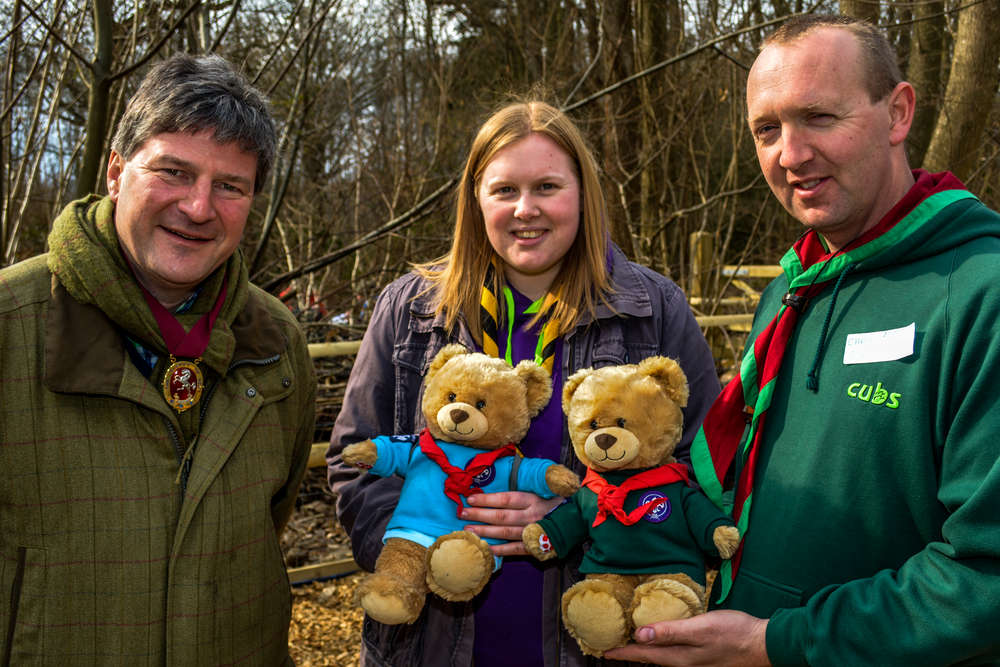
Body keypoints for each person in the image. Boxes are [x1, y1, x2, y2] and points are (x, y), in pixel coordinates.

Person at [607, 14, 1000, 667]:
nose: (789, 153)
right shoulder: (791, 291)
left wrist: (777, 642)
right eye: (767, 129)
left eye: (818, 117)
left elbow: (984, 577)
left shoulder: (979, 295)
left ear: (898, 113)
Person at [326, 100, 720, 666]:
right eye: (504, 189)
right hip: (427, 646)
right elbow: (352, 460)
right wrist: (421, 545)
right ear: (475, 200)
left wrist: (575, 525)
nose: (525, 209)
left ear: (582, 195)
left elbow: (699, 471)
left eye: (547, 187)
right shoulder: (409, 310)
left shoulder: (653, 310)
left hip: (594, 642)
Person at [0, 54, 316, 665]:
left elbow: (271, 517)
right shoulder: (12, 327)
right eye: (173, 172)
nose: (199, 208)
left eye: (230, 186)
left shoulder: (275, 343)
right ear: (117, 172)